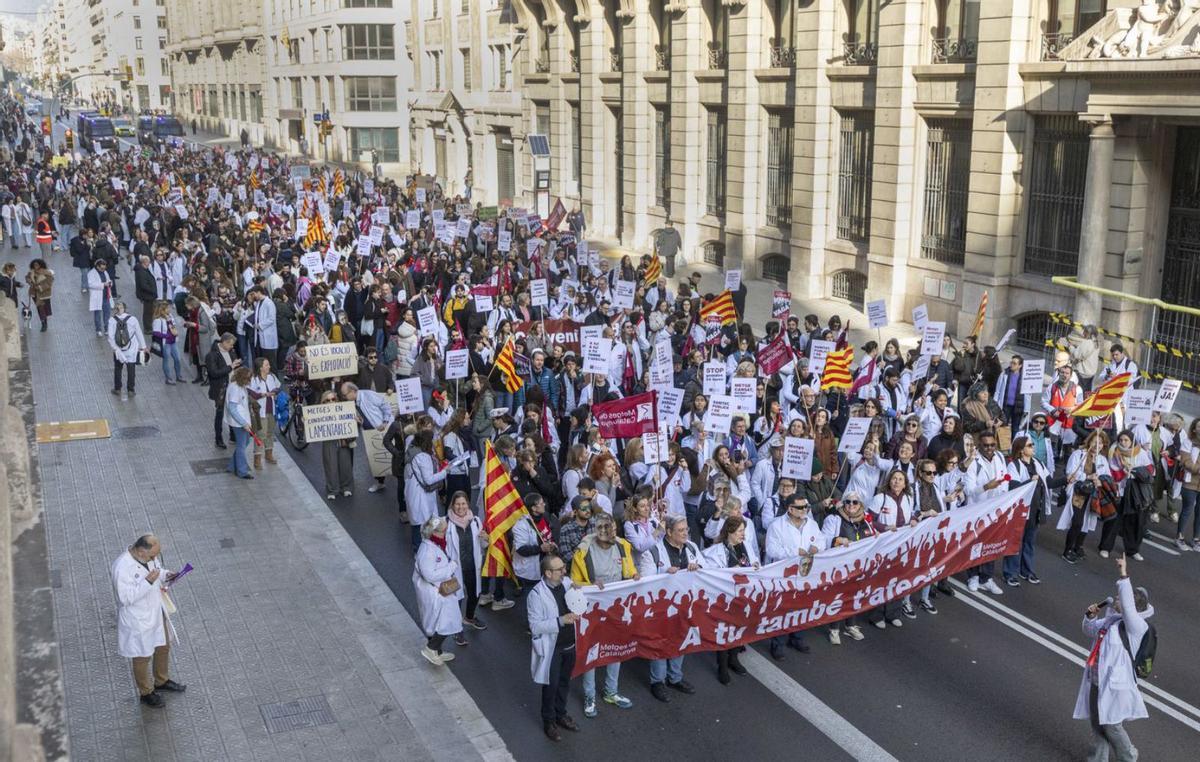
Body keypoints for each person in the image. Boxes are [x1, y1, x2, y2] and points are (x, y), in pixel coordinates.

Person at [1074, 555, 1152, 761]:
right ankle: (1098, 759)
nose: (1116, 599)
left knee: (1111, 725)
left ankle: (1129, 756)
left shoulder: (1137, 627)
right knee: (1097, 724)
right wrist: (1090, 616)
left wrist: (1123, 574)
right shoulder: (1112, 621)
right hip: (1096, 679)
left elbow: (1127, 605)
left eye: (1119, 598)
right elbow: (1090, 630)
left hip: (1115, 685)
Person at [570, 514, 638, 717]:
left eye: (612, 529)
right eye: (605, 530)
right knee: (592, 652)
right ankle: (589, 696)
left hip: (616, 609)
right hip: (592, 611)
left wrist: (634, 575)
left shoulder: (622, 546)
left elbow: (629, 570)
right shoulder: (583, 552)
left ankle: (611, 692)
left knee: (615, 649)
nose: (610, 534)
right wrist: (590, 585)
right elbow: (573, 583)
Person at [110, 534, 186, 708]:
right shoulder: (122, 567)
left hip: (156, 611)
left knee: (163, 646)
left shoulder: (149, 557)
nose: (155, 559)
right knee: (142, 656)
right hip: (138, 619)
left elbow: (157, 572)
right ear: (141, 551)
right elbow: (124, 598)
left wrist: (167, 575)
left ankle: (161, 680)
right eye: (152, 555)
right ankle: (146, 692)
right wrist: (148, 582)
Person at [527, 554, 581, 742]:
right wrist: (560, 621)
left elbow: (580, 598)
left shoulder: (566, 583)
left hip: (570, 644)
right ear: (548, 573)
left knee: (564, 682)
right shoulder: (536, 595)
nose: (564, 572)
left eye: (563, 568)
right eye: (559, 570)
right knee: (551, 686)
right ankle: (549, 721)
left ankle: (561, 714)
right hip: (552, 648)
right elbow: (535, 626)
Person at [647, 515, 701, 701]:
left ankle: (675, 678)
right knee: (660, 642)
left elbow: (707, 571)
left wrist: (698, 567)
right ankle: (658, 681)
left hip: (685, 605)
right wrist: (664, 574)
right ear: (669, 532)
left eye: (686, 529)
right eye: (680, 530)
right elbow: (646, 582)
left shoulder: (692, 548)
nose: (685, 533)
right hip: (661, 609)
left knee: (681, 639)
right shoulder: (653, 551)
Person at [700, 515, 758, 684]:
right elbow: (710, 573)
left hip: (743, 596)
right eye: (740, 531)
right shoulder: (715, 551)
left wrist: (754, 566)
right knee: (724, 631)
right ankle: (722, 666)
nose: (743, 535)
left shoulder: (745, 546)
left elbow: (755, 562)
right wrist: (731, 570)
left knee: (738, 628)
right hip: (725, 598)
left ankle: (733, 659)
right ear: (730, 532)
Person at [764, 496, 824, 658]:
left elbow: (821, 540)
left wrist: (816, 547)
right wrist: (794, 553)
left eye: (806, 506)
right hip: (785, 576)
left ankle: (797, 637)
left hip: (805, 574)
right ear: (790, 509)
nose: (804, 509)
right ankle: (777, 643)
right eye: (800, 507)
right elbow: (771, 550)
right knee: (782, 609)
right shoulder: (777, 526)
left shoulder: (811, 524)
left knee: (802, 607)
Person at [413, 517, 464, 666]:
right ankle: (431, 648)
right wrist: (451, 567)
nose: (445, 533)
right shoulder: (427, 550)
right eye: (443, 531)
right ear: (433, 532)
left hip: (442, 590)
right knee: (447, 622)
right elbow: (429, 574)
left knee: (444, 621)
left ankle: (438, 652)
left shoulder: (436, 545)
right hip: (436, 592)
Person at [445, 491, 488, 639]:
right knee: (456, 599)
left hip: (472, 566)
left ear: (468, 504)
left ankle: (469, 617)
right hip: (454, 570)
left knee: (475, 594)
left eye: (463, 503)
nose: (460, 507)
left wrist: (485, 538)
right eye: (457, 504)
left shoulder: (475, 521)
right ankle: (456, 629)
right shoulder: (446, 523)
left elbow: (483, 545)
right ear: (453, 505)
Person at [404, 430, 451, 553]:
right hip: (421, 495)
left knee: (419, 522)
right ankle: (422, 551)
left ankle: (422, 549)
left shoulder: (412, 451)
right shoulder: (422, 456)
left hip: (414, 492)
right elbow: (429, 480)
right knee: (426, 522)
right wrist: (445, 472)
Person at [317, 389, 355, 498]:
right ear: (323, 402)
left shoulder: (344, 409)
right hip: (329, 442)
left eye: (333, 399)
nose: (331, 402)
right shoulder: (319, 413)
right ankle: (332, 490)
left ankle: (346, 487)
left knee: (345, 464)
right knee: (330, 465)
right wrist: (306, 420)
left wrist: (356, 420)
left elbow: (356, 421)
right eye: (327, 400)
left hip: (343, 440)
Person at [206, 333, 240, 449]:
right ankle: (218, 438)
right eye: (230, 344)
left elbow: (235, 365)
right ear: (224, 342)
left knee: (232, 410)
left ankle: (233, 435)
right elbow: (214, 373)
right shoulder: (212, 355)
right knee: (220, 413)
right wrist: (231, 367)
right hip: (220, 388)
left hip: (232, 387)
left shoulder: (231, 351)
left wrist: (237, 366)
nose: (232, 347)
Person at [248, 356, 281, 470]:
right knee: (261, 434)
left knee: (270, 432)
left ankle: (269, 454)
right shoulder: (253, 379)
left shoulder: (271, 377)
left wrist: (274, 392)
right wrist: (264, 394)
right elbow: (252, 393)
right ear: (261, 367)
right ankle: (257, 458)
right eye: (267, 365)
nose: (269, 366)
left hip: (271, 409)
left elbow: (278, 387)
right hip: (260, 411)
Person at [108, 302, 146, 397]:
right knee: (131, 369)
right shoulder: (133, 319)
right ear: (125, 308)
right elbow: (139, 333)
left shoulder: (112, 320)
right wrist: (143, 347)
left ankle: (117, 388)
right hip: (131, 349)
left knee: (118, 368)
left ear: (116, 309)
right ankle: (130, 390)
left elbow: (110, 337)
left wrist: (115, 348)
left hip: (118, 350)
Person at [151, 300, 182, 384]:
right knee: (166, 360)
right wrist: (167, 336)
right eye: (167, 308)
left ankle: (179, 376)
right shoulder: (158, 320)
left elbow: (173, 326)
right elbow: (155, 332)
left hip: (173, 342)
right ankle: (168, 378)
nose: (169, 309)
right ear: (162, 310)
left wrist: (175, 331)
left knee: (178, 359)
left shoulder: (170, 316)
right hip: (166, 343)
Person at [87, 258, 114, 336]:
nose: (103, 270)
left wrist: (110, 283)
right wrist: (103, 285)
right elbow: (90, 284)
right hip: (97, 297)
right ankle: (98, 329)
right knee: (97, 314)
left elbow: (108, 280)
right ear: (97, 267)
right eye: (102, 268)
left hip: (106, 296)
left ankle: (107, 328)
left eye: (104, 268)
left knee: (107, 313)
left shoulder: (105, 272)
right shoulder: (91, 273)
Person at [25, 258, 54, 332]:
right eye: (34, 265)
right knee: (40, 308)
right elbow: (27, 277)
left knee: (44, 308)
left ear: (41, 265)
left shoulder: (47, 273)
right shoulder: (31, 272)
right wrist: (30, 282)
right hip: (35, 294)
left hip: (44, 294)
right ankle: (43, 323)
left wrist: (39, 287)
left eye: (37, 265)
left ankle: (44, 322)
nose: (36, 266)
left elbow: (49, 283)